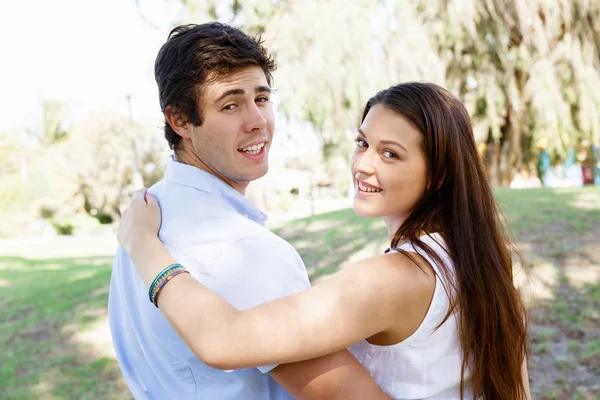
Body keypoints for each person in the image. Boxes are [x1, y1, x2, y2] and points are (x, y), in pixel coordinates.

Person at [119, 82, 533, 399]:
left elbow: (222, 339)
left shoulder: (392, 278)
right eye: (363, 143)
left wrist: (144, 246)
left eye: (391, 154)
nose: (364, 164)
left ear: (439, 174)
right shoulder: (485, 258)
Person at [108, 22, 390, 400]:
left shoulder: (143, 218)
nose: (257, 120)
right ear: (179, 120)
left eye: (261, 98)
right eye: (230, 104)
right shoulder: (245, 251)